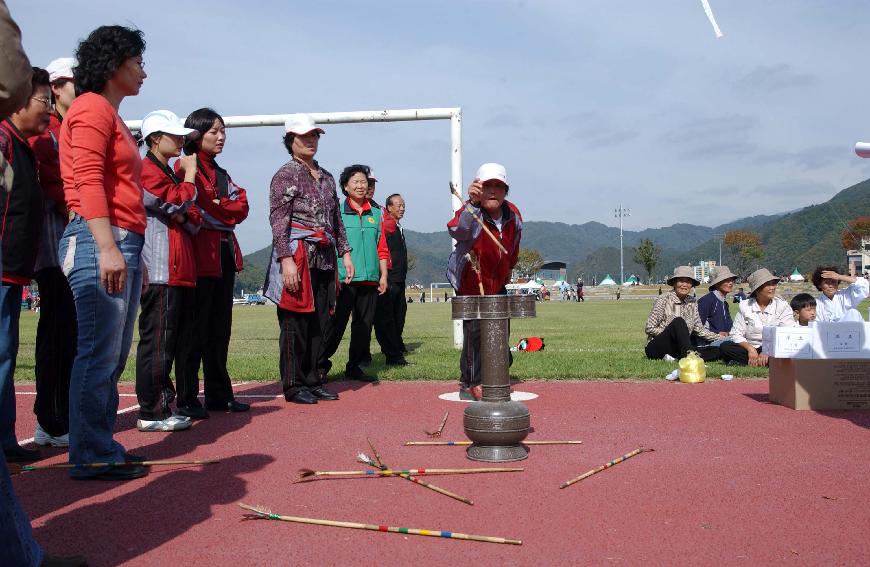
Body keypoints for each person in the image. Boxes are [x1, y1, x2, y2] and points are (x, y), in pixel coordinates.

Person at [58, 25, 149, 481]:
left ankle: (100, 444)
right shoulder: (91, 108)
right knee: (98, 351)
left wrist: (131, 253)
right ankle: (91, 452)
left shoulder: (107, 114)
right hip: (100, 237)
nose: (144, 73)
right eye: (137, 63)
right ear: (115, 65)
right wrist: (108, 246)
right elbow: (87, 180)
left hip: (119, 238)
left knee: (112, 354)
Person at [263, 113, 351, 404]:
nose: (311, 140)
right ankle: (293, 384)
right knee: (295, 325)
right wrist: (286, 259)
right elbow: (278, 221)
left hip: (325, 259)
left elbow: (335, 218)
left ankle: (314, 379)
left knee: (321, 323)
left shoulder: (326, 176)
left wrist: (345, 253)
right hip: (299, 256)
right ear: (291, 141)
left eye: (314, 135)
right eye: (304, 136)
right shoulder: (285, 175)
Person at [176, 108, 250, 415]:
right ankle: (188, 397)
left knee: (220, 328)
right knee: (195, 329)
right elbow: (200, 206)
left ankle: (219, 394)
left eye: (223, 132)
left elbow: (242, 206)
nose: (221, 137)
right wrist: (222, 209)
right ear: (195, 134)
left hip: (223, 253)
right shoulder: (185, 168)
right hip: (199, 253)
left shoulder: (221, 172)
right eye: (214, 132)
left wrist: (222, 209)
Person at [135, 110, 202, 431]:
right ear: (154, 139)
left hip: (176, 268)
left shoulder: (165, 172)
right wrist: (189, 178)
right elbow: (178, 204)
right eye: (174, 135)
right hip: (160, 268)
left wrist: (183, 205)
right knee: (158, 340)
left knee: (170, 341)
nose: (181, 141)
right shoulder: (146, 170)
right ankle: (152, 410)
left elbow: (192, 216)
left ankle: (162, 405)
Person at [0, 66, 50, 465]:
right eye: (43, 100)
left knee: (6, 353)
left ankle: (5, 442)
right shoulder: (2, 138)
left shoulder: (24, 147)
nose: (49, 109)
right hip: (2, 267)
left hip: (14, 269)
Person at [27, 57, 78, 448]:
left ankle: (62, 414)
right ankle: (51, 419)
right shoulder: (46, 132)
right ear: (56, 88)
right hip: (53, 244)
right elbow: (50, 181)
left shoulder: (72, 128)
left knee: (72, 332)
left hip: (74, 239)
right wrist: (75, 200)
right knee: (58, 330)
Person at [447, 163, 522, 400]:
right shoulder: (472, 211)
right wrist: (471, 204)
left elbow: (514, 246)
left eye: (498, 186)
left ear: (505, 190)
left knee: (501, 329)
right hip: (471, 282)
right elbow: (457, 230)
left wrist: (510, 267)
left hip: (497, 282)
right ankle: (471, 381)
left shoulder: (514, 215)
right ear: (477, 187)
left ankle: (496, 372)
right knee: (476, 332)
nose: (492, 191)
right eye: (487, 185)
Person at [318, 164, 389, 383]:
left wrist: (383, 275)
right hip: (344, 279)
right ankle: (320, 364)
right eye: (355, 182)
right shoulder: (337, 213)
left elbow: (382, 247)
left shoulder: (377, 213)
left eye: (364, 182)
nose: (360, 186)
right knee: (335, 325)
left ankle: (355, 366)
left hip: (369, 279)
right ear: (345, 187)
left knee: (363, 326)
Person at [720, 268, 796, 367]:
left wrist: (767, 350)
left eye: (773, 284)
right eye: (768, 284)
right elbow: (736, 334)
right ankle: (759, 361)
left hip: (775, 347)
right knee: (725, 347)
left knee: (786, 352)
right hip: (751, 347)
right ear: (757, 289)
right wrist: (750, 349)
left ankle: (746, 362)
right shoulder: (745, 306)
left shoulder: (782, 306)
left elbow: (787, 332)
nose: (772, 287)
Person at [644, 266, 721, 362]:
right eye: (681, 281)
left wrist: (720, 337)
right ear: (675, 283)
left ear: (692, 285)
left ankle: (684, 356)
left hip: (679, 347)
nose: (684, 285)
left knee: (718, 351)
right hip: (657, 346)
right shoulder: (663, 300)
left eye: (688, 281)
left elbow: (699, 330)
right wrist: (673, 334)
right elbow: (649, 328)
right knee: (679, 322)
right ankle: (689, 357)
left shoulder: (692, 302)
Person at [374, 193, 410, 365]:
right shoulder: (386, 225)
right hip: (390, 278)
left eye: (403, 205)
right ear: (388, 207)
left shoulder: (397, 226)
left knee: (400, 313)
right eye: (397, 205)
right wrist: (384, 275)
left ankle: (396, 345)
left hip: (400, 279)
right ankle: (391, 351)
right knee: (388, 316)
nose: (401, 208)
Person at [697, 265, 737, 344]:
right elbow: (698, 327)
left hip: (726, 339)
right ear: (716, 283)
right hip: (710, 342)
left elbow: (729, 325)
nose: (730, 283)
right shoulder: (706, 300)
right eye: (726, 280)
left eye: (731, 280)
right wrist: (717, 333)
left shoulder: (725, 303)